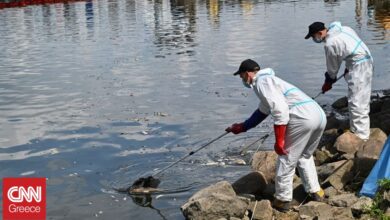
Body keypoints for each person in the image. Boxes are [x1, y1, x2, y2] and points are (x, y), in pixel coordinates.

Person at [226, 59, 326, 212]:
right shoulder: (271, 81)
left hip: (303, 119)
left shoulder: (261, 82)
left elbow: (280, 110)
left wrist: (279, 140)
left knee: (286, 158)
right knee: (305, 156)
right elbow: (262, 111)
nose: (243, 81)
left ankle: (283, 199)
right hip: (318, 116)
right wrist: (242, 127)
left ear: (246, 74)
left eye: (241, 77)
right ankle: (316, 191)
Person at [305, 21, 373, 140]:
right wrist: (348, 67)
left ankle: (361, 137)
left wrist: (328, 83)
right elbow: (351, 47)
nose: (314, 39)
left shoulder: (330, 43)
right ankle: (359, 130)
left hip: (359, 67)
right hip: (365, 60)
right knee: (361, 98)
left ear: (320, 33)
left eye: (313, 36)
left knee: (357, 102)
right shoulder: (344, 29)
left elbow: (332, 70)